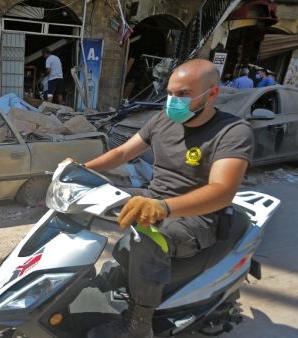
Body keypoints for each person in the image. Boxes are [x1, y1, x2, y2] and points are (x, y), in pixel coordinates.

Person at [85, 59, 253, 338]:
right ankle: (117, 275)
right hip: (156, 197)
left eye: (184, 94)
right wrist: (82, 169)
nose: (173, 100)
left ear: (212, 93)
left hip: (197, 216)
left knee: (149, 238)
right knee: (102, 200)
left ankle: (139, 324)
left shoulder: (233, 131)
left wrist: (163, 207)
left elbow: (223, 191)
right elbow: (123, 153)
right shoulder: (163, 120)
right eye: (171, 93)